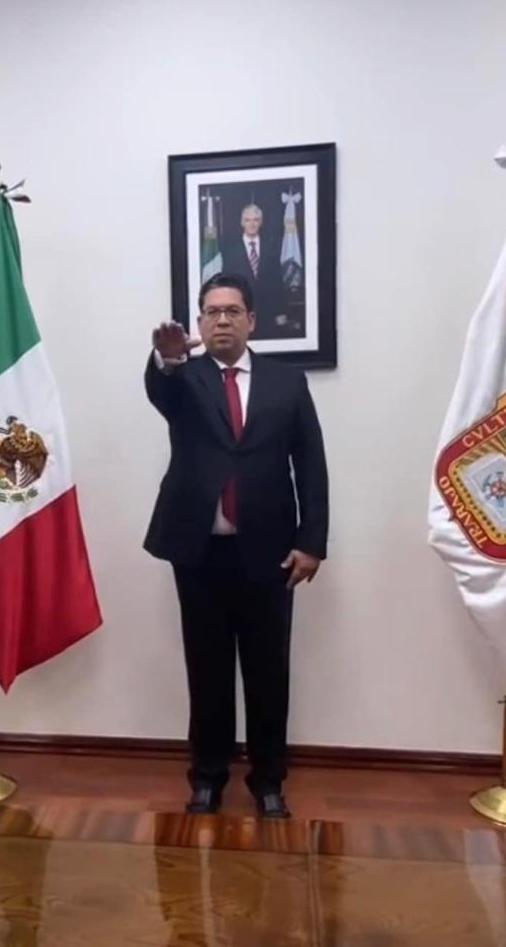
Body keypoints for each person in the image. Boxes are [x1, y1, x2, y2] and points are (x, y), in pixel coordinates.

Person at [145, 274, 328, 818]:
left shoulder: (286, 382)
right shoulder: (184, 378)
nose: (221, 320)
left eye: (232, 311)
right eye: (211, 312)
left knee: (269, 671)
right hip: (199, 550)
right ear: (199, 323)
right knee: (207, 670)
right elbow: (161, 392)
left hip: (270, 552)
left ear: (252, 320)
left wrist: (311, 542)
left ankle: (268, 780)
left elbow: (310, 464)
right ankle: (207, 777)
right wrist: (167, 360)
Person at [220, 203, 287, 339]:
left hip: (267, 314)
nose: (252, 224)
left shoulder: (271, 246)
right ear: (242, 223)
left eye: (256, 220)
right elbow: (227, 283)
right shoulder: (230, 249)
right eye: (248, 220)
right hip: (240, 313)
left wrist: (281, 311)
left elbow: (277, 281)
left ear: (260, 222)